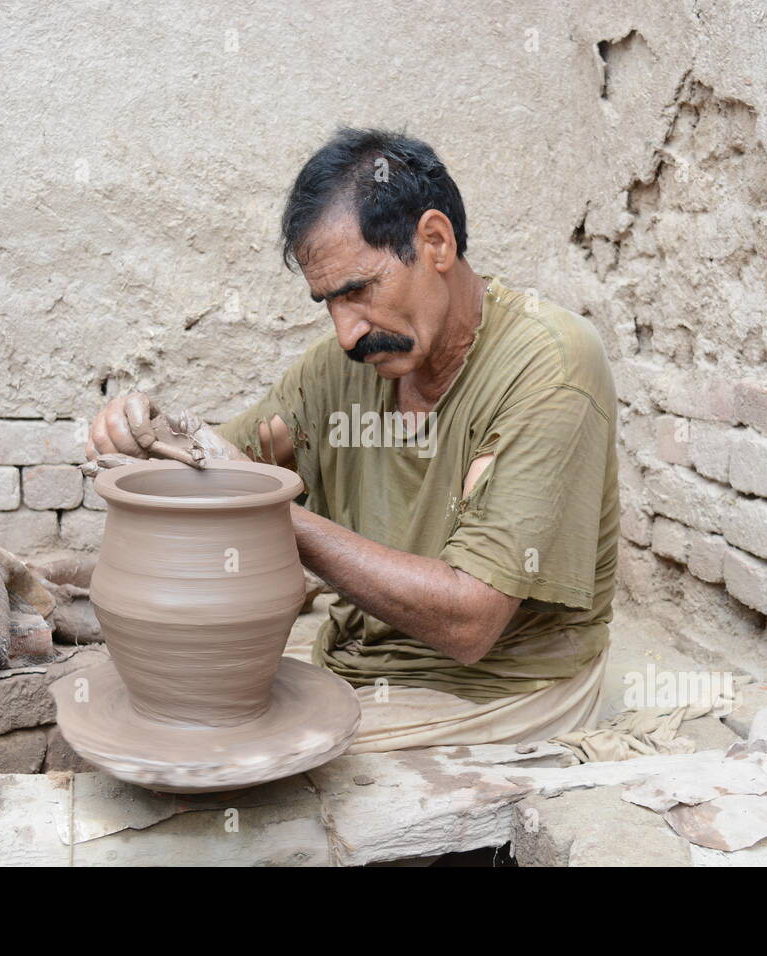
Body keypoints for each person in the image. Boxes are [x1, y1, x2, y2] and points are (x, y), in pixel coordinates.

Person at [86, 128, 619, 752]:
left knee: (235, 767)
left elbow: (470, 622)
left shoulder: (550, 367)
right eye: (327, 303)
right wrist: (152, 430)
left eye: (359, 292)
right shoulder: (343, 368)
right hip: (359, 666)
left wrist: (273, 519)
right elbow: (221, 463)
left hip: (498, 690)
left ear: (435, 243)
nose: (346, 333)